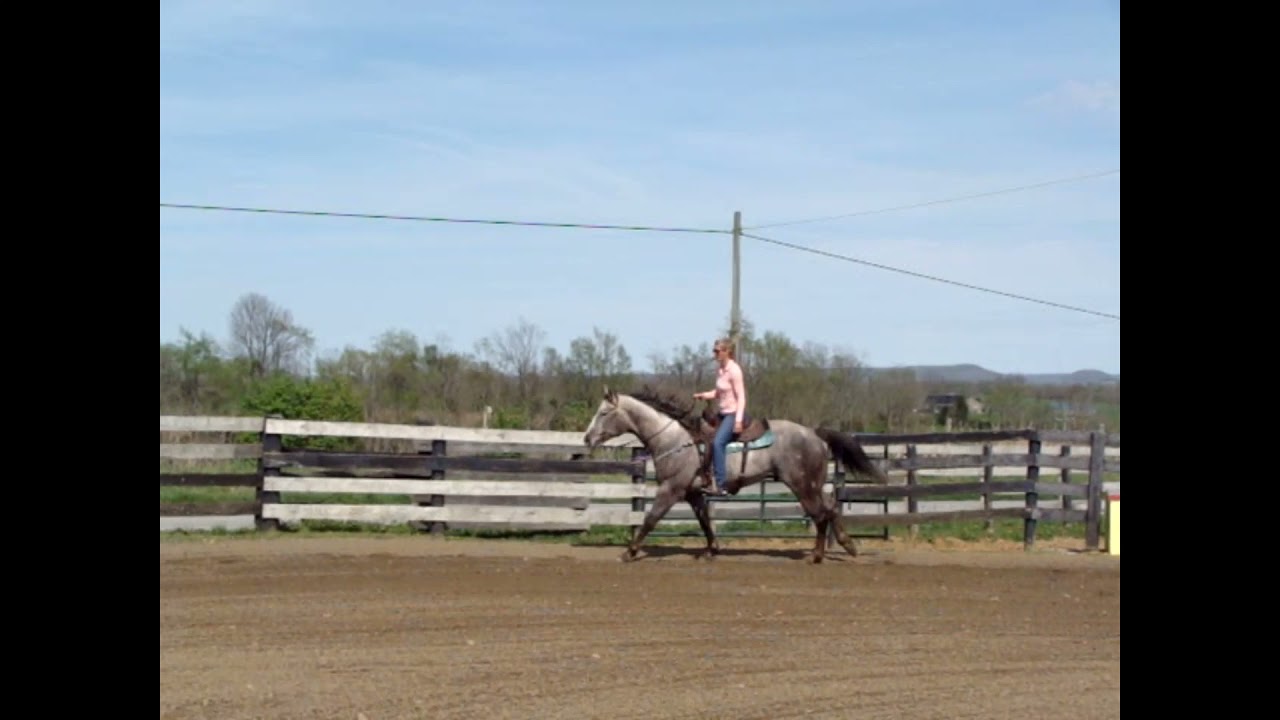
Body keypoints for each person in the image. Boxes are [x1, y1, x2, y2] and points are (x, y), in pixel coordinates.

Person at [693, 337, 746, 495]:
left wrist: (738, 420)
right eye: (714, 350)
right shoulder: (721, 370)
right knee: (704, 437)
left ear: (727, 352)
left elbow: (741, 397)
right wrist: (704, 395)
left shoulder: (734, 370)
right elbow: (719, 392)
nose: (714, 353)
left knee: (717, 443)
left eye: (717, 351)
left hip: (733, 413)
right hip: (722, 413)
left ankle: (722, 485)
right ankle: (706, 478)